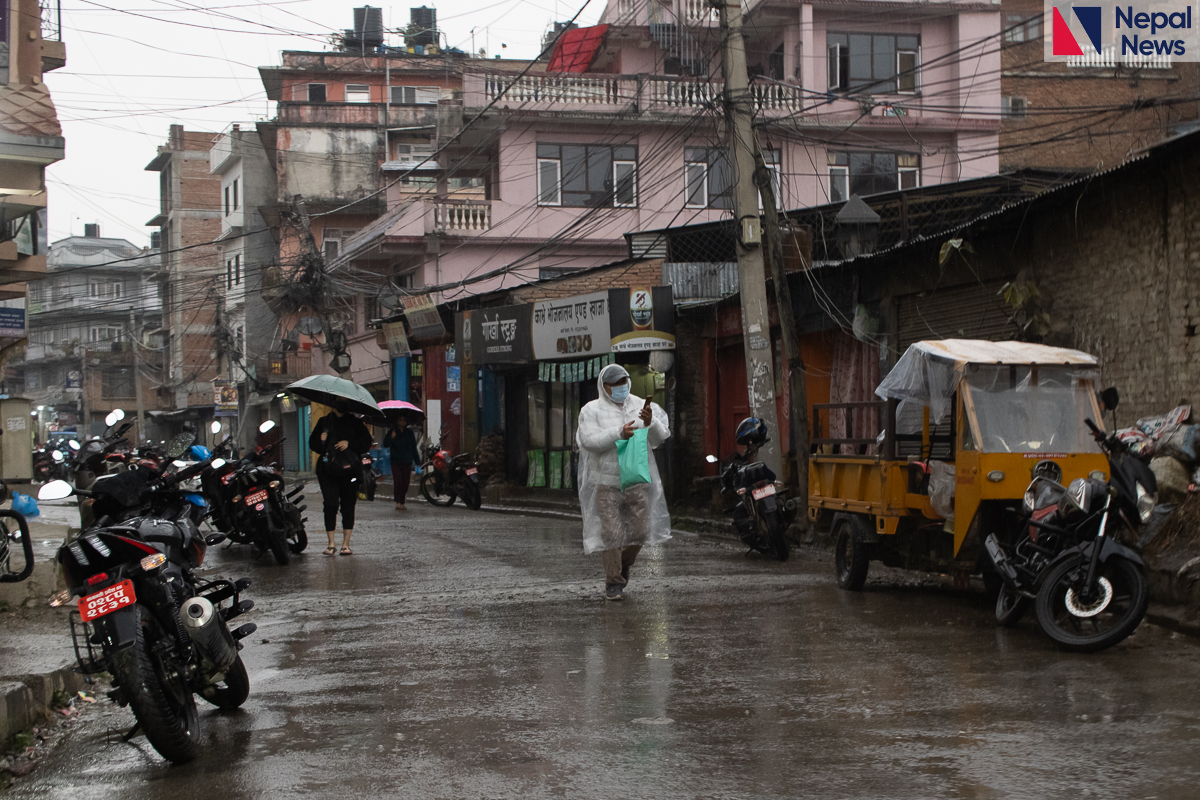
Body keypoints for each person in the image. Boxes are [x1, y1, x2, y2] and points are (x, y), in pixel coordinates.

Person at [576, 363, 671, 601]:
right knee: (612, 534)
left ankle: (623, 564)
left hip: (636, 480)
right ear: (604, 386)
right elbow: (588, 441)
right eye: (615, 384)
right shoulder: (591, 410)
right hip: (606, 483)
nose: (620, 388)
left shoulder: (641, 405)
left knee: (640, 532)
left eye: (623, 383)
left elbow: (661, 438)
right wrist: (619, 433)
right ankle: (613, 582)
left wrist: (651, 423)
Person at [310, 400, 373, 556]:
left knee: (348, 506)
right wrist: (322, 440)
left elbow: (366, 443)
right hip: (327, 471)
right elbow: (314, 445)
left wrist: (349, 443)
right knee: (330, 504)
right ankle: (331, 544)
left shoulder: (356, 423)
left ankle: (346, 544)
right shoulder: (324, 422)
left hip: (350, 471)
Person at [383, 413, 420, 511]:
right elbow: (386, 444)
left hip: (407, 461)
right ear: (397, 421)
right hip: (395, 461)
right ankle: (398, 501)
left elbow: (413, 447)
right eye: (400, 420)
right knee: (398, 481)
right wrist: (392, 437)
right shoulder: (392, 431)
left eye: (404, 420)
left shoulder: (409, 433)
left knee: (405, 482)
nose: (402, 422)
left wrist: (417, 461)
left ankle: (402, 502)